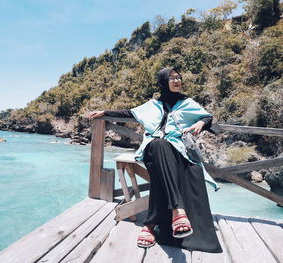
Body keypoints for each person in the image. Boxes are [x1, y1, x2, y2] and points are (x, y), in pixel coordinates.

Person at [89, 68, 222, 253]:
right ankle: (178, 211)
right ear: (163, 82)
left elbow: (207, 117)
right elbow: (129, 113)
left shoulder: (187, 102)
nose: (176, 81)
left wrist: (201, 123)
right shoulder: (152, 105)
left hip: (177, 148)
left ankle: (150, 224)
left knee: (180, 169)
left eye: (178, 77)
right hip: (152, 147)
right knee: (159, 145)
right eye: (172, 78)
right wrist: (104, 112)